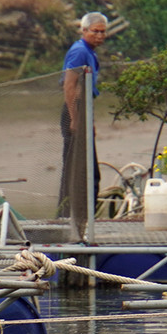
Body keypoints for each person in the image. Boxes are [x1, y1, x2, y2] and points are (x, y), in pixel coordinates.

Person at [58, 12, 108, 218]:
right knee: (78, 173)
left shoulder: (90, 52)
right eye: (95, 31)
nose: (99, 36)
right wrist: (76, 119)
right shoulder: (79, 52)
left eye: (103, 32)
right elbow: (69, 86)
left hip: (84, 112)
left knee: (87, 173)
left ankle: (78, 219)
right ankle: (70, 219)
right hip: (74, 113)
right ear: (84, 30)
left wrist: (89, 120)